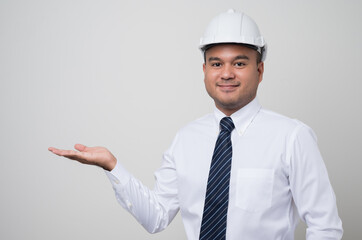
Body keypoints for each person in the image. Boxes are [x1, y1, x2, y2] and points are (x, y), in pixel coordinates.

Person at [48, 9, 343, 240]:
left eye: (239, 63)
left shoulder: (292, 137)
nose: (226, 73)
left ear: (260, 69)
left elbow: (325, 227)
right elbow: (156, 218)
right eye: (216, 64)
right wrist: (112, 166)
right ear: (205, 71)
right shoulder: (186, 139)